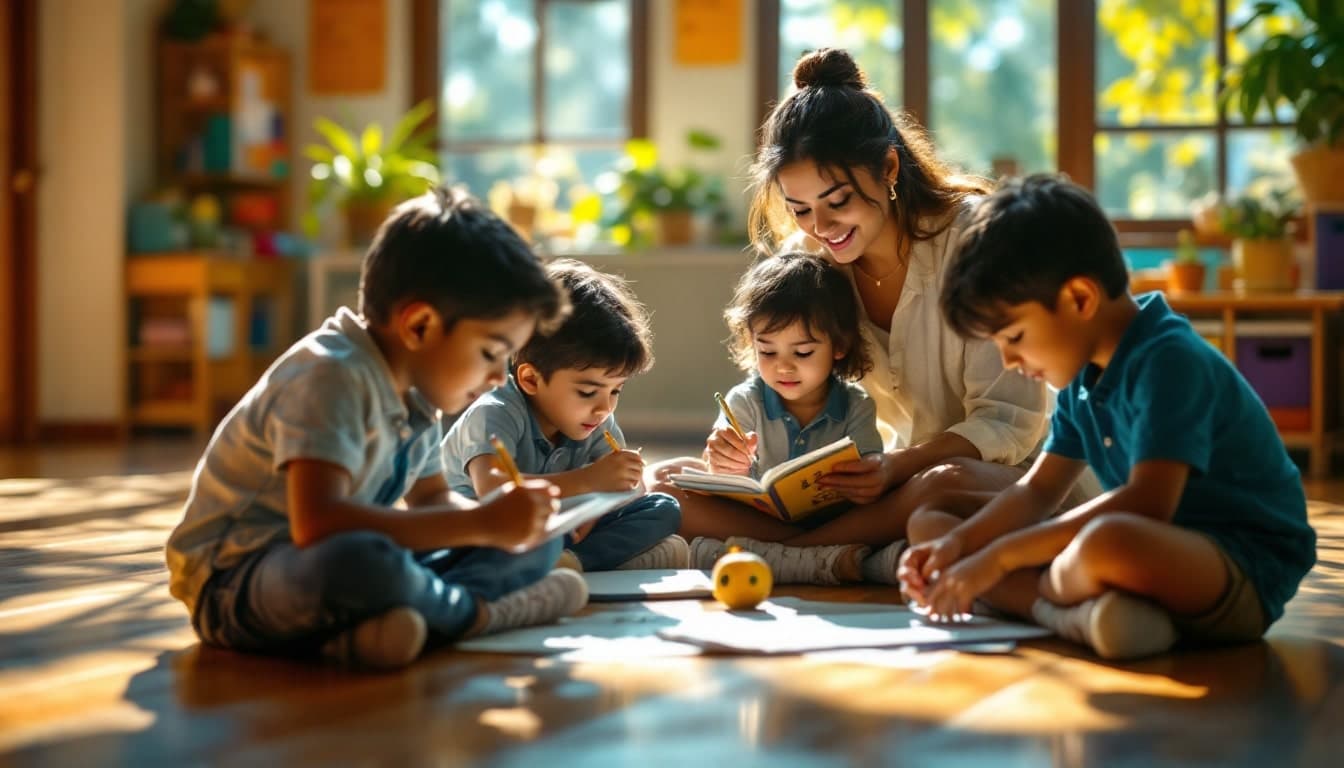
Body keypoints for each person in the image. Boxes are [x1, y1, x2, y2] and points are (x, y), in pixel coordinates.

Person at [165, 186, 588, 671]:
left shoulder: (418, 392)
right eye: (491, 354)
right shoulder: (330, 375)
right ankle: (481, 616)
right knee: (360, 564)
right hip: (239, 579)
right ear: (421, 326)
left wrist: (499, 521)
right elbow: (318, 525)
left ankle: (365, 637)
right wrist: (478, 525)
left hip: (342, 565)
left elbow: (432, 501)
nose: (498, 378)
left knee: (539, 544)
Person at [900, 174, 1315, 659]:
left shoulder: (1168, 360)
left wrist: (998, 558)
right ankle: (1086, 616)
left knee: (1108, 542)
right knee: (931, 527)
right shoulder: (1083, 377)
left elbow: (1146, 504)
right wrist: (960, 548)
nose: (1010, 361)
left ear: (1079, 298)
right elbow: (1036, 491)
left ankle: (1057, 607)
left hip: (1237, 566)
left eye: (1013, 338)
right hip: (1140, 561)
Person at [734, 47, 1078, 584]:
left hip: (1003, 480)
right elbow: (782, 378)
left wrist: (897, 467)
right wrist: (737, 442)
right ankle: (844, 555)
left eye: (837, 200)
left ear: (888, 167)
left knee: (938, 487)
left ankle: (790, 554)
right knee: (670, 481)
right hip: (889, 484)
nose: (820, 225)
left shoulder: (974, 240)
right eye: (800, 208)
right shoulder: (809, 262)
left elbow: (1008, 423)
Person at [646, 253, 883, 583]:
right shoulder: (744, 399)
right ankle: (811, 552)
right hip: (755, 520)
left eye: (802, 353)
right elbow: (719, 474)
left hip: (835, 522)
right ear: (751, 343)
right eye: (768, 352)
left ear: (839, 345)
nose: (783, 366)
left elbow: (872, 473)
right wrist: (724, 463)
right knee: (660, 479)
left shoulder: (857, 405)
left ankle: (771, 552)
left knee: (915, 493)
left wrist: (867, 475)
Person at [441, 259, 686, 572]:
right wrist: (589, 480)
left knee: (663, 507)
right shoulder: (494, 413)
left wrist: (607, 496)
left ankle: (572, 562)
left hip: (557, 528)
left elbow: (615, 492)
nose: (604, 407)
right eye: (587, 392)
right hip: (486, 530)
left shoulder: (597, 418)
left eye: (616, 391)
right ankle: (589, 560)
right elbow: (494, 491)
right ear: (531, 380)